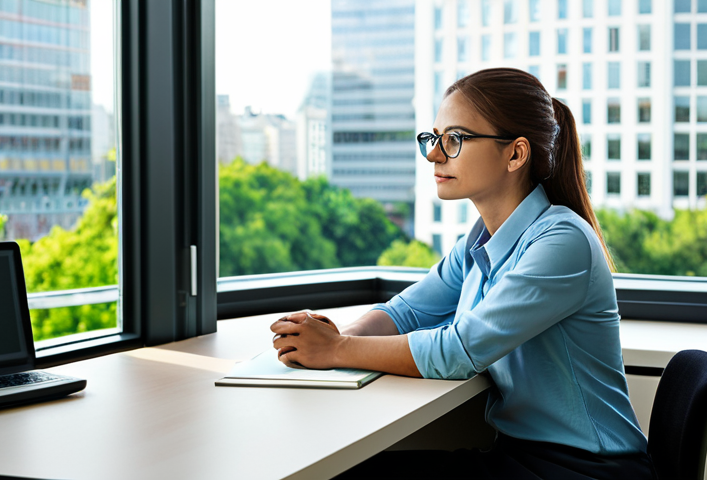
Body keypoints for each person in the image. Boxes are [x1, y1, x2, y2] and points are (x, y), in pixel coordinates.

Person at [270, 68, 656, 479]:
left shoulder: (562, 241)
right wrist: (341, 334)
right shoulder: (479, 240)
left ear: (515, 154)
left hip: (586, 469)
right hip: (522, 455)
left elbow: (459, 351)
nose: (435, 154)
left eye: (454, 139)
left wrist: (336, 350)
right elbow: (408, 312)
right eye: (433, 138)